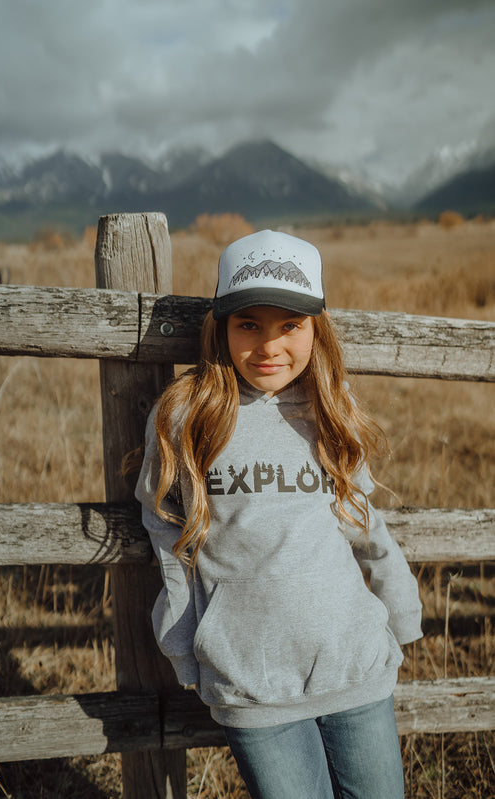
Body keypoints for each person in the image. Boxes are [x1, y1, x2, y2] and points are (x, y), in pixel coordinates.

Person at [135, 229, 423, 799]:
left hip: (352, 664)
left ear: (317, 329)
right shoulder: (188, 416)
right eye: (250, 325)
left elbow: (361, 515)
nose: (269, 346)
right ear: (220, 326)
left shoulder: (329, 407)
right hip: (250, 680)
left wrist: (399, 605)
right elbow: (166, 529)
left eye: (290, 326)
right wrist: (183, 642)